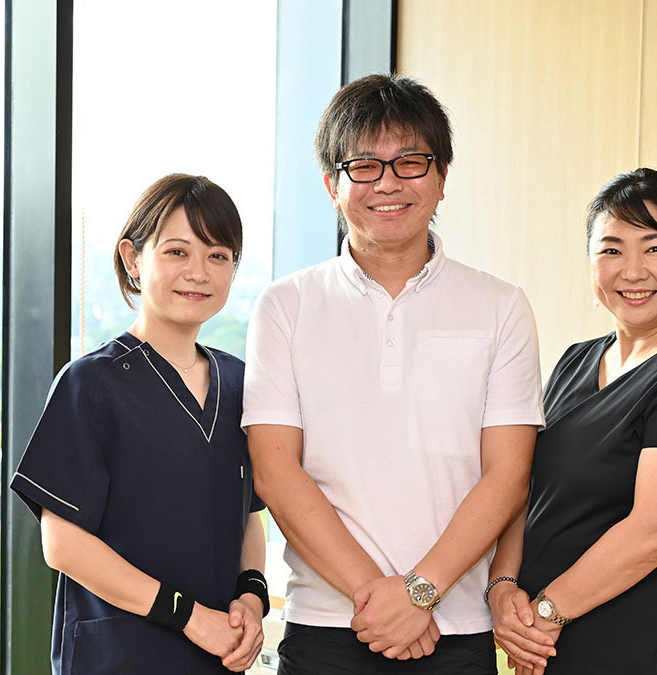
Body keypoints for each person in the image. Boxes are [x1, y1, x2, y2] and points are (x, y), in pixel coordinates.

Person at [243, 74, 545, 674]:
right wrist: (378, 600)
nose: (388, 183)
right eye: (364, 165)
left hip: (457, 628)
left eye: (410, 162)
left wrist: (420, 592)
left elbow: (508, 474)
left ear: (442, 178)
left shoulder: (501, 305)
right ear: (333, 185)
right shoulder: (285, 305)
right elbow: (277, 471)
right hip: (327, 624)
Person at [488, 168, 657, 674]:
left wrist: (544, 613)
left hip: (649, 650)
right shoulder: (575, 361)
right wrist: (503, 589)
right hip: (552, 645)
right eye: (611, 250)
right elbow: (524, 489)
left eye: (655, 248)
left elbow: (654, 532)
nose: (632, 271)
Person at [9, 174, 268, 674]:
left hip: (219, 654)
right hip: (119, 657)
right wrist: (190, 618)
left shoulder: (239, 383)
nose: (198, 272)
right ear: (133, 258)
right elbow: (62, 544)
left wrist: (251, 599)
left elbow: (248, 516)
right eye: (177, 252)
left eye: (218, 256)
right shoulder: (91, 384)